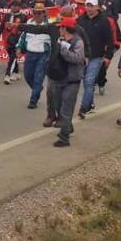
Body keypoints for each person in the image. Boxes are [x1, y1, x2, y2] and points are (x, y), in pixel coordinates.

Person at [45, 17, 85, 146]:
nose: (59, 30)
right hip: (59, 78)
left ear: (65, 29)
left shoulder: (78, 43)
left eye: (61, 28)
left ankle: (64, 138)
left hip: (72, 80)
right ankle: (68, 127)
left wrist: (63, 50)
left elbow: (77, 58)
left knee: (66, 110)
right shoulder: (60, 40)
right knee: (58, 105)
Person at [76, 0, 119, 117]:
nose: (88, 8)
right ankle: (90, 104)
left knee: (89, 81)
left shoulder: (103, 21)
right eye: (87, 6)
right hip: (82, 56)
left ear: (97, 7)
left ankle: (83, 108)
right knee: (85, 82)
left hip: (96, 56)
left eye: (91, 6)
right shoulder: (80, 20)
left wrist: (108, 56)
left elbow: (109, 40)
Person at [19, 2, 54, 110]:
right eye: (35, 13)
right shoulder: (29, 22)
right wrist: (19, 47)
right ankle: (37, 88)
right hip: (30, 53)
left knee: (38, 78)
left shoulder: (50, 24)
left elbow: (55, 40)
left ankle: (33, 100)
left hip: (43, 54)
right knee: (28, 75)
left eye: (39, 13)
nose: (37, 15)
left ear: (44, 13)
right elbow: (23, 36)